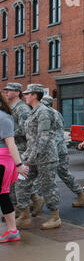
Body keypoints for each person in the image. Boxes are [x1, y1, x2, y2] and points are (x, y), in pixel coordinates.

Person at [20, 84, 61, 230]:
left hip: (46, 157)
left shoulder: (43, 111)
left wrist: (31, 157)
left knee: (48, 187)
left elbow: (43, 137)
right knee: (21, 182)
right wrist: (27, 156)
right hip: (32, 156)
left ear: (35, 95)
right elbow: (30, 137)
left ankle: (55, 217)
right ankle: (24, 215)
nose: (25, 96)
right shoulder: (32, 112)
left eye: (28, 94)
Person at [3, 83, 44, 217]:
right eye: (6, 90)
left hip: (21, 147)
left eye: (9, 90)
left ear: (17, 92)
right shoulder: (10, 108)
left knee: (18, 180)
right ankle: (17, 208)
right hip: (11, 147)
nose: (6, 92)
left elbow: (26, 129)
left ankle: (32, 202)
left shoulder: (22, 109)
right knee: (12, 181)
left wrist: (7, 133)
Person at [41, 96, 84, 207]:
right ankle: (81, 194)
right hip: (61, 147)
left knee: (45, 175)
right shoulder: (57, 113)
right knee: (64, 173)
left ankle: (36, 201)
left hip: (53, 149)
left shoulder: (46, 113)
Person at [0, 92, 29, 242]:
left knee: (3, 195)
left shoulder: (4, 118)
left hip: (3, 160)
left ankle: (13, 231)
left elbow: (11, 143)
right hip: (4, 160)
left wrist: (19, 165)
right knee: (3, 196)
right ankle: (13, 231)